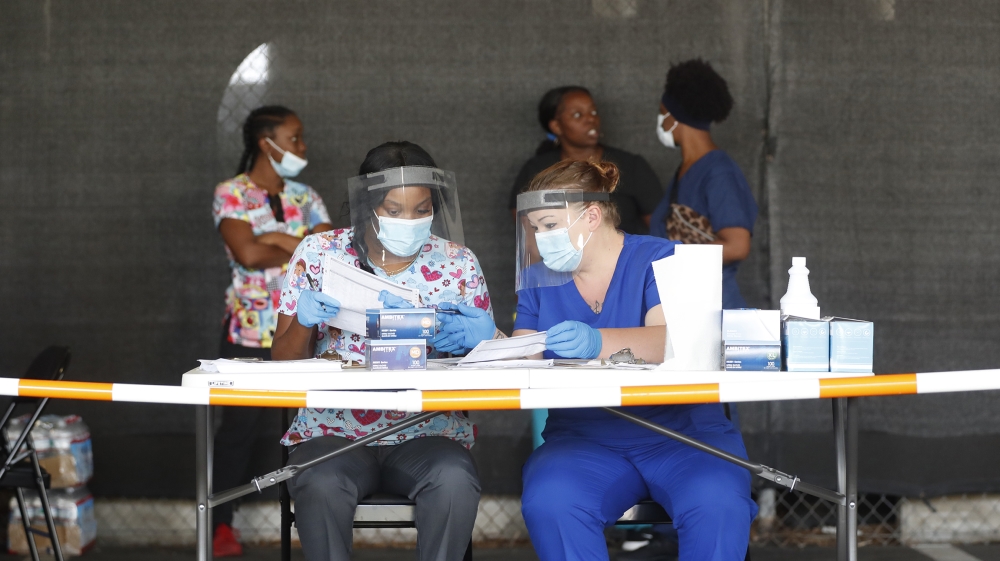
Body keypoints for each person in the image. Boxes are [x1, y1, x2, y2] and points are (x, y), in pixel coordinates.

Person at [449, 159, 757, 560]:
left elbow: (671, 340)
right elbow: (527, 353)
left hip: (684, 436)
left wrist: (596, 341)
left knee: (718, 503)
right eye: (536, 228)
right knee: (551, 501)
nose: (541, 239)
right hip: (584, 439)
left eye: (549, 225)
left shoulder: (663, 258)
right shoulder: (541, 279)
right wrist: (490, 340)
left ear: (591, 215)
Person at [270, 141, 493, 561]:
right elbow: (282, 362)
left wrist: (477, 341)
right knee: (318, 482)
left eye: (422, 209)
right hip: (333, 432)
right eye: (394, 210)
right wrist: (302, 320)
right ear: (368, 205)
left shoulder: (458, 262)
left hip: (427, 430)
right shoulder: (320, 254)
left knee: (453, 479)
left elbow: (489, 367)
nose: (410, 221)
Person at [210, 105, 332, 557]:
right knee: (238, 430)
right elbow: (246, 253)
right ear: (267, 143)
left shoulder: (306, 195)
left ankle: (313, 519)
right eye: (294, 138)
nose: (302, 148)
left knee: (306, 426)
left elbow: (325, 254)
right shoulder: (232, 192)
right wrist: (293, 243)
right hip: (248, 330)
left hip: (303, 333)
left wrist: (276, 241)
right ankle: (221, 524)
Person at [649, 59, 758, 309]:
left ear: (673, 118)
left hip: (712, 309)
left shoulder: (718, 172)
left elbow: (737, 246)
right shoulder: (685, 171)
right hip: (684, 306)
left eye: (661, 113)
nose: (660, 122)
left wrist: (672, 256)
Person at [507, 86, 662, 235]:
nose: (590, 119)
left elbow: (659, 228)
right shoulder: (537, 169)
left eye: (593, 112)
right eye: (577, 115)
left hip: (622, 259)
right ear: (556, 126)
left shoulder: (631, 166)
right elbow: (528, 235)